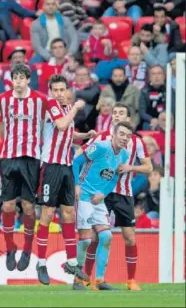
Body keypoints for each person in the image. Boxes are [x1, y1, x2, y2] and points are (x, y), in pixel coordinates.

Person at [76, 103, 152, 291]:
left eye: (121, 113)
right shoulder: (102, 137)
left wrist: (131, 168)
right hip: (101, 194)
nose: (117, 116)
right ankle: (86, 278)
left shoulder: (136, 142)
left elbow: (149, 167)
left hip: (123, 194)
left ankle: (131, 280)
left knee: (129, 238)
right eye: (115, 113)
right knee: (95, 236)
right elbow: (81, 153)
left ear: (127, 118)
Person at [35, 75, 93, 285]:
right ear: (51, 92)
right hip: (50, 166)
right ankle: (41, 262)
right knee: (48, 213)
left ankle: (71, 261)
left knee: (68, 214)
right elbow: (60, 125)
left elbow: (68, 133)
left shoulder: (67, 108)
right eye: (55, 90)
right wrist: (77, 108)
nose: (59, 94)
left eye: (62, 90)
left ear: (68, 90)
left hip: (66, 166)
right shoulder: (51, 105)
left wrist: (85, 135)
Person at [0, 64, 46, 271]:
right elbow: (0, 125)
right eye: (15, 77)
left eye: (21, 77)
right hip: (9, 157)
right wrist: (10, 142)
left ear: (28, 80)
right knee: (7, 206)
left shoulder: (40, 100)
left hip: (31, 158)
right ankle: (9, 247)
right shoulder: (3, 100)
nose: (18, 81)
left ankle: (27, 249)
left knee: (28, 207)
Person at [72, 121, 133, 291]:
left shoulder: (124, 155)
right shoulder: (99, 147)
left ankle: (99, 281)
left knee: (106, 236)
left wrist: (103, 194)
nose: (124, 138)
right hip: (83, 195)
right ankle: (78, 280)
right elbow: (76, 162)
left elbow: (114, 177)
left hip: (98, 199)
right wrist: (76, 185)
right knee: (85, 240)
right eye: (121, 134)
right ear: (113, 134)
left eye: (127, 136)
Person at [30, 0, 79, 65]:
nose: (50, 6)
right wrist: (49, 57)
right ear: (43, 7)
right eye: (48, 4)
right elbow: (37, 46)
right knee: (33, 63)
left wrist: (70, 53)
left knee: (77, 62)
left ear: (56, 7)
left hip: (64, 51)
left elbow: (74, 38)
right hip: (46, 52)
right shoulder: (36, 24)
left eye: (53, 4)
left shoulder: (66, 20)